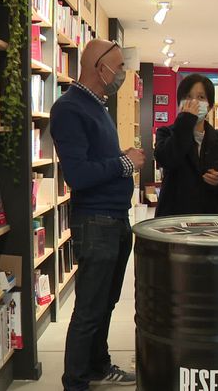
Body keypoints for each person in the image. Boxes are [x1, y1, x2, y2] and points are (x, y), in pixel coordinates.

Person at [51, 39, 144, 390]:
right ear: (98, 67)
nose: (121, 74)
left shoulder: (97, 107)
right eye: (118, 67)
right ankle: (75, 381)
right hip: (97, 221)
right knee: (90, 307)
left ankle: (97, 365)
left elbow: (94, 161)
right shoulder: (70, 109)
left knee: (106, 302)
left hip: (115, 218)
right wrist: (125, 162)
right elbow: (78, 174)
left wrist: (120, 158)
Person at [154, 73, 218, 216]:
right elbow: (167, 159)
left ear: (209, 106)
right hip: (173, 220)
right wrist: (185, 121)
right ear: (180, 103)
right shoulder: (165, 133)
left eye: (201, 97)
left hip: (211, 221)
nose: (194, 102)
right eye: (188, 97)